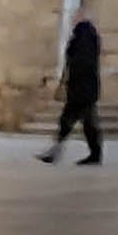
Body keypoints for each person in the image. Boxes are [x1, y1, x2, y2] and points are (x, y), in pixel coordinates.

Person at [38, 11, 104, 165]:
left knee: (78, 121)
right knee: (81, 122)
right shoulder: (86, 34)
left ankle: (58, 152)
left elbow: (79, 62)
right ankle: (58, 152)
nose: (72, 19)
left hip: (81, 87)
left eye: (75, 17)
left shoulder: (84, 35)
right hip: (84, 87)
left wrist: (70, 81)